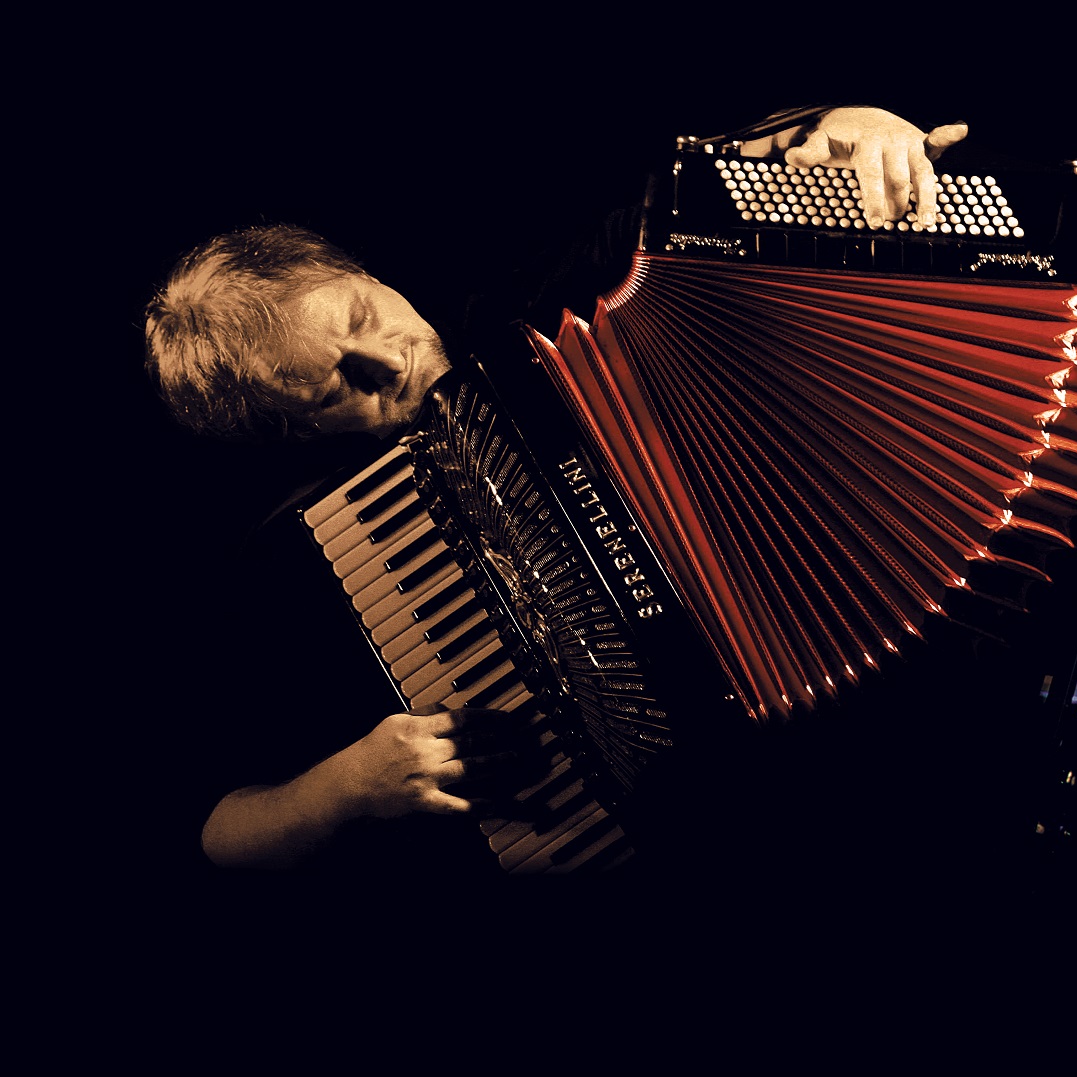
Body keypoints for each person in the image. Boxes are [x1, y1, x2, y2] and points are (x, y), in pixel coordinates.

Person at [142, 106, 966, 870]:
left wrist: (843, 124)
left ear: (361, 271)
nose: (391, 360)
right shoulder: (314, 549)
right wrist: (348, 784)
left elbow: (713, 190)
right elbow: (215, 828)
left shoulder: (534, 308)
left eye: (362, 315)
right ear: (293, 432)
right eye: (336, 387)